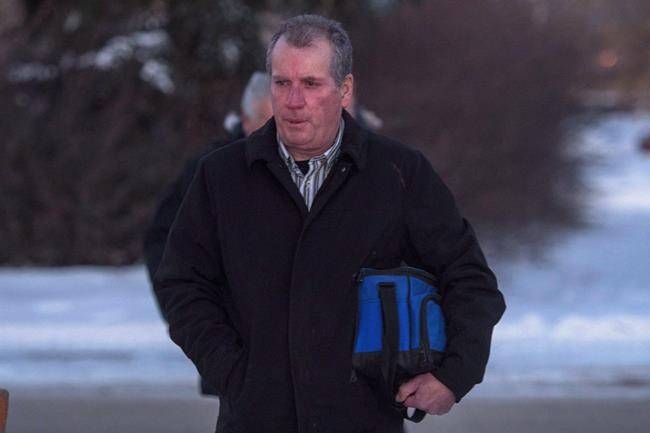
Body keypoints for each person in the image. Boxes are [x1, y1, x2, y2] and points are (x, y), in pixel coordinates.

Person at [154, 14, 505, 433]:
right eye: (282, 83)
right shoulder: (221, 176)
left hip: (364, 420)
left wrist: (453, 376)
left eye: (311, 84)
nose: (293, 101)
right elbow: (182, 283)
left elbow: (469, 280)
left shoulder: (398, 173)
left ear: (344, 89)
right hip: (254, 420)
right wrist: (233, 373)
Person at [143, 71, 271, 396]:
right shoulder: (210, 170)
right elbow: (165, 250)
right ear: (245, 120)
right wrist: (202, 335)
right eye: (267, 122)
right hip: (235, 357)